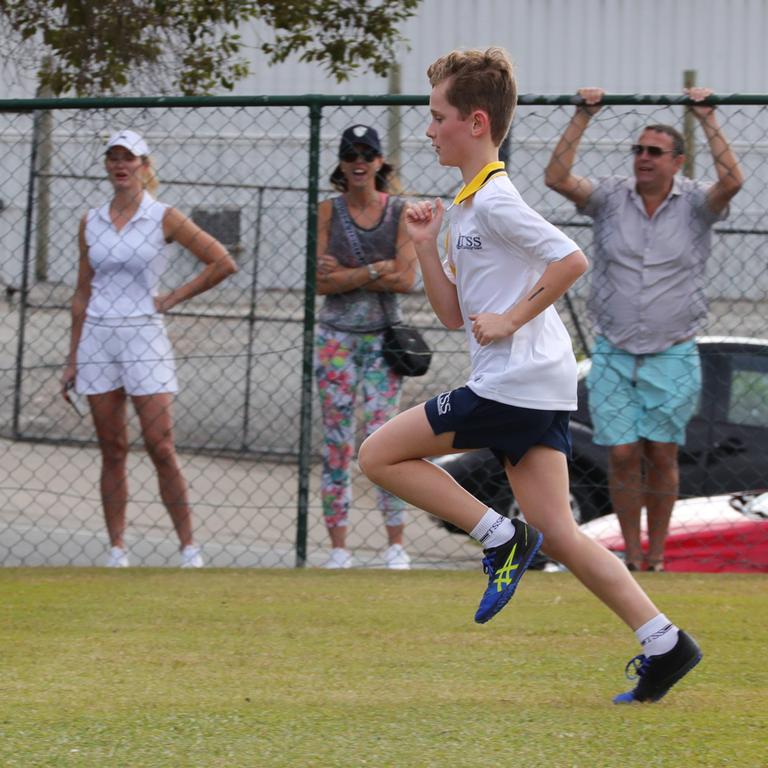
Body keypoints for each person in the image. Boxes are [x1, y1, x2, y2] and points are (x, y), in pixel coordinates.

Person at [358, 47, 702, 703]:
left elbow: (571, 259)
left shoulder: (494, 200)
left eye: (437, 117)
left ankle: (501, 536)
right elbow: (456, 312)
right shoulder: (466, 207)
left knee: (378, 453)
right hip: (535, 389)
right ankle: (664, 641)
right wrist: (428, 249)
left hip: (512, 386)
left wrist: (512, 319)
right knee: (564, 535)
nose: (429, 130)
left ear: (477, 122)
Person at [544, 87, 743, 572]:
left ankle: (657, 555)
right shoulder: (611, 197)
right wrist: (581, 117)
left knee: (662, 452)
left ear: (677, 161)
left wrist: (707, 118)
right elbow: (557, 178)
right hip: (614, 350)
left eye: (655, 152)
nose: (644, 158)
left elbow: (733, 180)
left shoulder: (696, 204)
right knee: (622, 454)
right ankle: (630, 555)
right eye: (638, 150)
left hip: (672, 352)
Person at [62, 129, 237, 568]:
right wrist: (72, 357)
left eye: (130, 158)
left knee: (160, 445)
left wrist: (172, 298)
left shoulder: (164, 216)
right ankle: (117, 548)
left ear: (144, 165)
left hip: (144, 335)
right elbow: (82, 293)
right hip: (98, 338)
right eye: (114, 158)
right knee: (112, 447)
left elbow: (221, 261)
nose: (121, 165)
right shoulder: (91, 220)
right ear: (107, 165)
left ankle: (188, 547)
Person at [314, 125, 418, 569]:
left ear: (379, 162)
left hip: (383, 339)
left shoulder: (400, 212)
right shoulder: (327, 212)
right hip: (335, 337)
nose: (359, 161)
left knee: (383, 439)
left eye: (367, 154)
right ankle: (339, 548)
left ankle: (395, 543)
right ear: (341, 163)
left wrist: (350, 273)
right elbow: (320, 281)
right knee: (336, 440)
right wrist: (378, 269)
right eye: (350, 154)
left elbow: (408, 278)